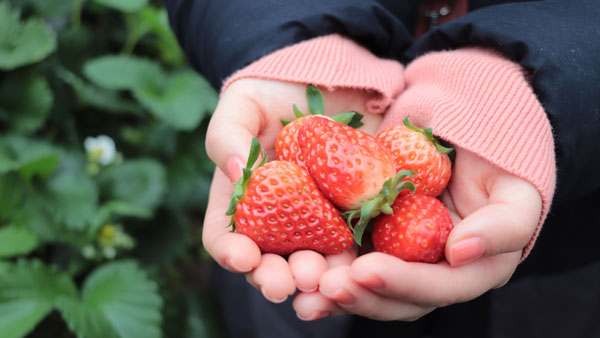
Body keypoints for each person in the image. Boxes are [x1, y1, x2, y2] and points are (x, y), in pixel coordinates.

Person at [164, 1, 600, 337]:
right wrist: (291, 48)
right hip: (297, 281)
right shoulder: (347, 175)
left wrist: (538, 85)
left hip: (560, 255)